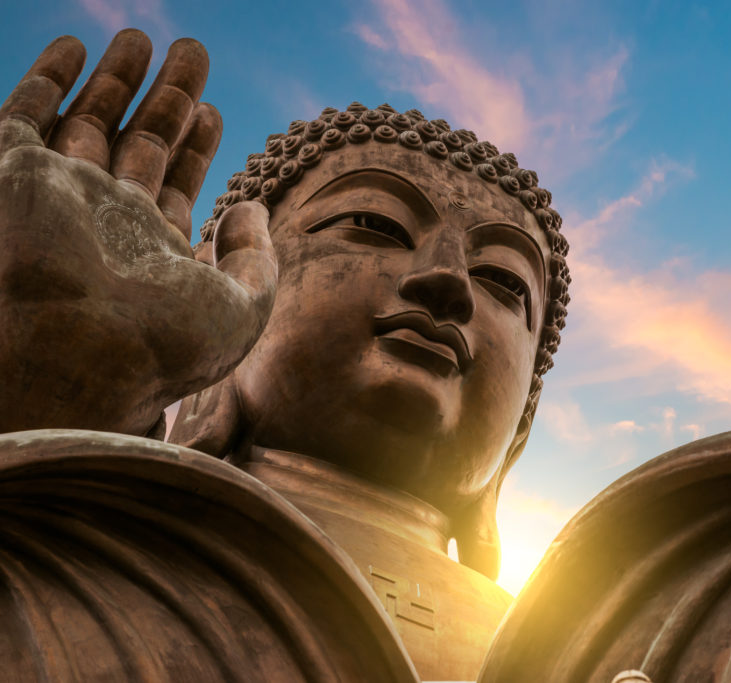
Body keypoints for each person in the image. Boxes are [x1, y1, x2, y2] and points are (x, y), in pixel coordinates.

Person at [0, 29, 568, 681]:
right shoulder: (97, 540)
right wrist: (37, 409)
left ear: (525, 419)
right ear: (231, 289)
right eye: (376, 223)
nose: (449, 281)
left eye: (504, 280)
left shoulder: (583, 648)